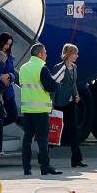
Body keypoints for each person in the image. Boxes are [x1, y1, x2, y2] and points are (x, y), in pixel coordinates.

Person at [19, 43, 62, 176]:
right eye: (45, 53)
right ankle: (45, 166)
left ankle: (27, 168)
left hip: (27, 108)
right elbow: (50, 87)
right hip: (40, 109)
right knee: (43, 139)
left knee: (27, 139)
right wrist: (57, 84)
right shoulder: (41, 68)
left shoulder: (23, 68)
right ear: (39, 54)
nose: (46, 55)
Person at [51, 44, 86, 168]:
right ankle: (43, 156)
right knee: (56, 130)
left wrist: (76, 95)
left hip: (70, 103)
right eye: (75, 53)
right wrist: (52, 104)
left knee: (73, 131)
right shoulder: (59, 67)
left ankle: (76, 159)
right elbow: (53, 86)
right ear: (69, 54)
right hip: (59, 103)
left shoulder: (74, 67)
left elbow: (73, 84)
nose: (77, 56)